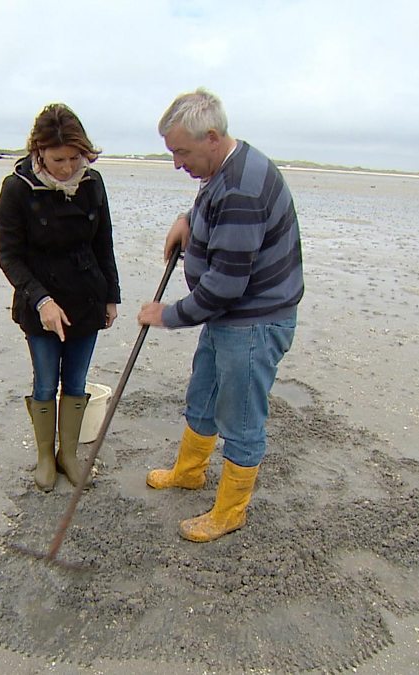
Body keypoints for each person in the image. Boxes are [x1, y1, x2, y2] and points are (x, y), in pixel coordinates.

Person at [137, 88, 304, 542]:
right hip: (228, 319)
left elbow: (225, 287)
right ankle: (190, 472)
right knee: (204, 393)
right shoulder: (223, 167)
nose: (177, 164)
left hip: (253, 322)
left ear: (211, 137)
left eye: (182, 153)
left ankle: (230, 511)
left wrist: (168, 315)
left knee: (241, 417)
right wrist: (187, 219)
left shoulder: (243, 189)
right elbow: (210, 201)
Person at [0, 103, 121, 491]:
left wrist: (111, 296)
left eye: (74, 158)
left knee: (77, 381)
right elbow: (9, 256)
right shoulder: (17, 188)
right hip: (40, 303)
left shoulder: (93, 183)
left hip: (87, 298)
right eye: (58, 159)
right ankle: (45, 458)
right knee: (46, 382)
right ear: (39, 152)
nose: (67, 168)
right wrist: (41, 300)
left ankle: (69, 454)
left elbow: (103, 242)